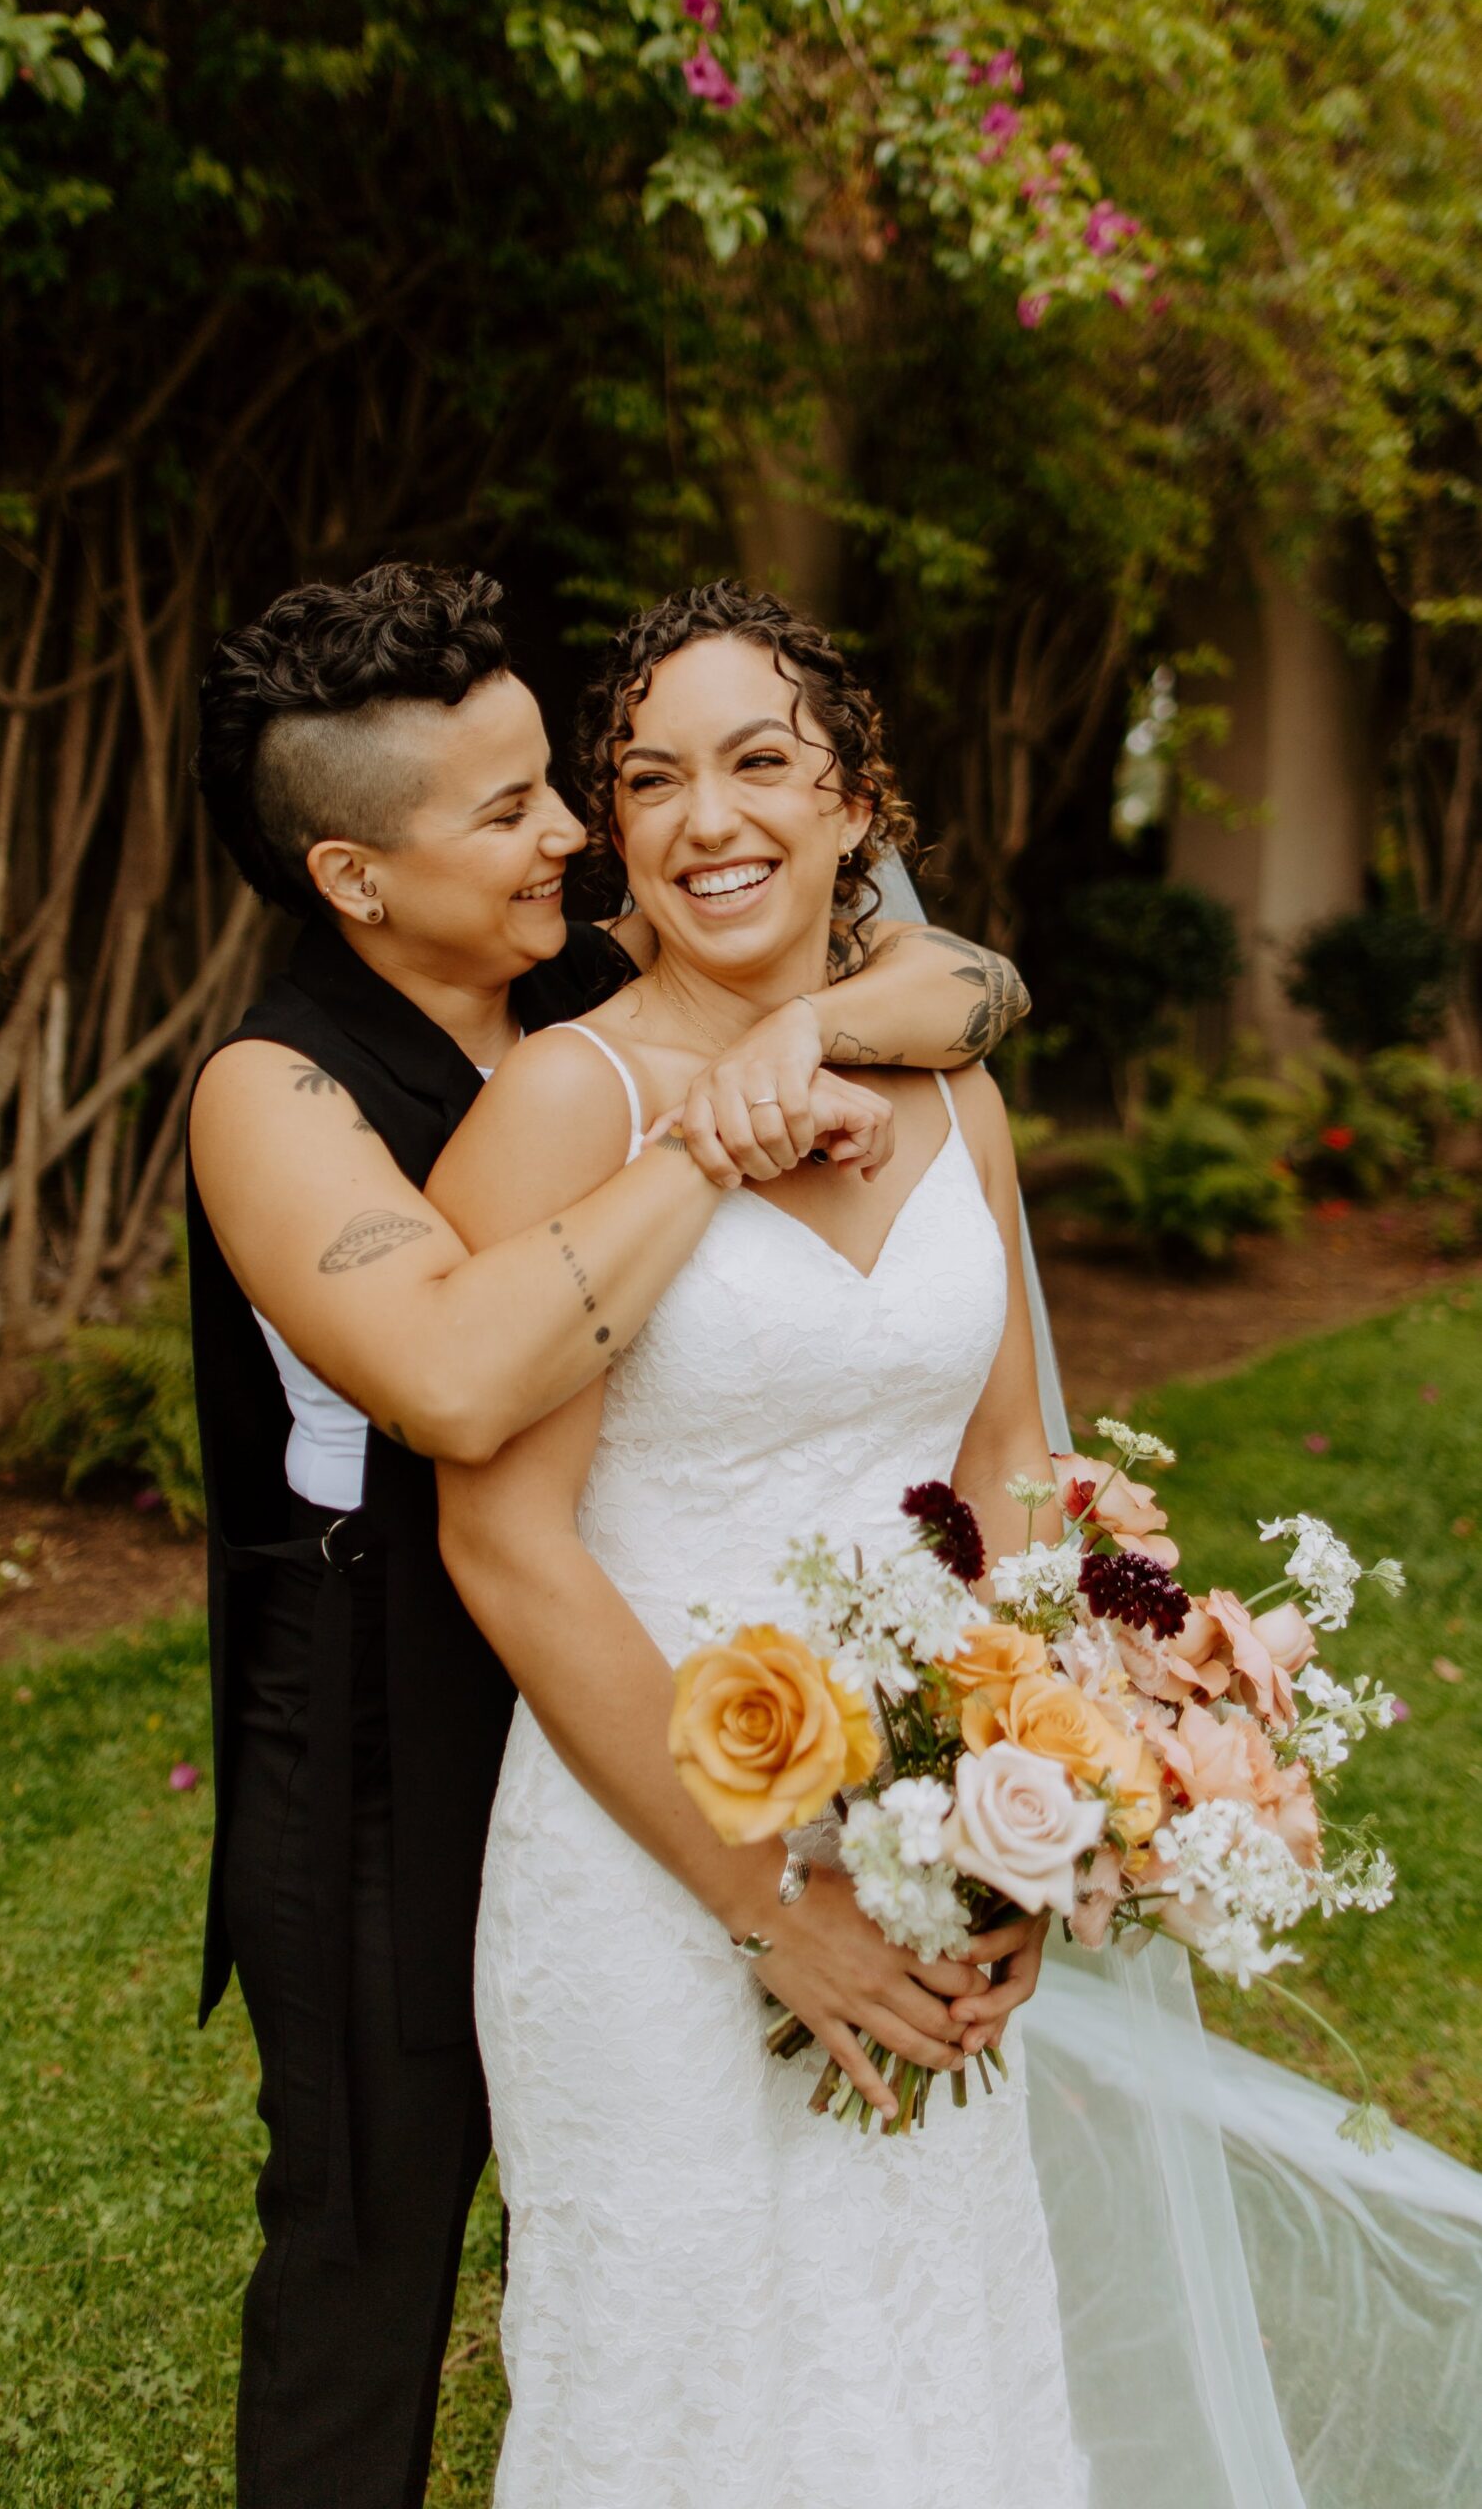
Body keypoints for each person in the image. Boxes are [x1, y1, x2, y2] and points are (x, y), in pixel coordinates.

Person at [186, 563, 1034, 2508]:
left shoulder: (588, 982)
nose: (576, 828)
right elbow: (458, 1390)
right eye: (511, 809)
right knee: (372, 2239)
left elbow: (957, 978)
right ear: (354, 876)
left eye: (570, 787)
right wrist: (726, 1123)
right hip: (384, 1714)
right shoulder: (277, 1089)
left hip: (671, 1660)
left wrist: (859, 1001)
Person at [432, 580, 1076, 2507]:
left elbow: (1017, 1468)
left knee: (921, 2369)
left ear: (852, 804)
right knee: (688, 2400)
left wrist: (1023, 1820)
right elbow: (505, 1539)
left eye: (759, 762)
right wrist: (764, 1902)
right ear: (614, 838)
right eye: (650, 778)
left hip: (911, 1854)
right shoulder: (575, 1098)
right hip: (649, 1883)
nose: (708, 816)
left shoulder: (954, 1090)